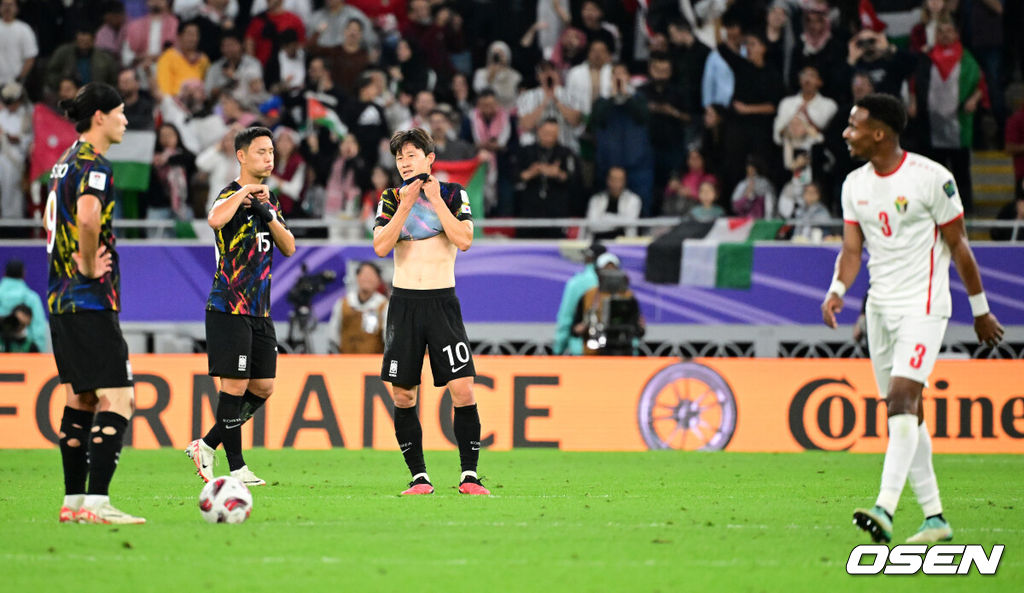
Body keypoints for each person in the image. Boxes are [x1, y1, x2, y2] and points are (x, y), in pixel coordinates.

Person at [822, 93, 1004, 545]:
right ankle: (935, 519)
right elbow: (851, 250)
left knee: (903, 400)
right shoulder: (853, 185)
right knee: (906, 413)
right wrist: (838, 290)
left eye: (854, 125)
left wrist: (980, 310)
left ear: (879, 133)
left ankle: (884, 508)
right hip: (879, 310)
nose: (846, 133)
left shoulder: (931, 179)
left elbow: (960, 247)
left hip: (924, 307)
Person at [46, 82, 144, 524]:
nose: (126, 120)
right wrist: (87, 265)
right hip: (88, 299)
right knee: (119, 397)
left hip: (60, 299)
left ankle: (72, 503)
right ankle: (98, 503)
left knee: (80, 398)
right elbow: (87, 216)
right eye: (121, 113)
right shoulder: (94, 165)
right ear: (101, 116)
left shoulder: (62, 165)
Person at [372, 128, 489, 496]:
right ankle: (419, 477)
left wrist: (436, 201)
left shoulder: (454, 194)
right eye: (399, 158)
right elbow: (379, 246)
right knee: (403, 395)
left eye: (411, 155)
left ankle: (469, 476)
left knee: (463, 390)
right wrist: (406, 204)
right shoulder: (391, 198)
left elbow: (465, 240)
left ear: (429, 158)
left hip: (442, 303)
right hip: (404, 304)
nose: (404, 163)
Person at [185, 127, 296, 487]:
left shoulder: (270, 200)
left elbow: (289, 246)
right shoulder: (229, 195)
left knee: (263, 387)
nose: (269, 158)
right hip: (228, 307)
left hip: (260, 310)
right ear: (242, 156)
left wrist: (266, 211)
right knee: (233, 388)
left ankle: (206, 444)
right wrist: (246, 192)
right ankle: (236, 468)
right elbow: (215, 219)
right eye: (261, 152)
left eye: (272, 152)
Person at [327, 261, 389, 354]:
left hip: (373, 363)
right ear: (357, 277)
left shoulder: (384, 306)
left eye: (371, 275)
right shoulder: (344, 303)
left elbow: (388, 337)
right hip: (344, 360)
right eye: (364, 275)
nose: (367, 279)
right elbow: (333, 334)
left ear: (378, 281)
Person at [553, 242, 603, 356]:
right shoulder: (618, 284)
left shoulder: (577, 283)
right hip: (614, 349)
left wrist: (558, 348)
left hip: (582, 348)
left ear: (589, 258)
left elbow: (565, 317)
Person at [0, 259, 46, 352]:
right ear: (23, 274)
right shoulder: (32, 298)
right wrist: (39, 350)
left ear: (5, 273)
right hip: (26, 353)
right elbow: (39, 328)